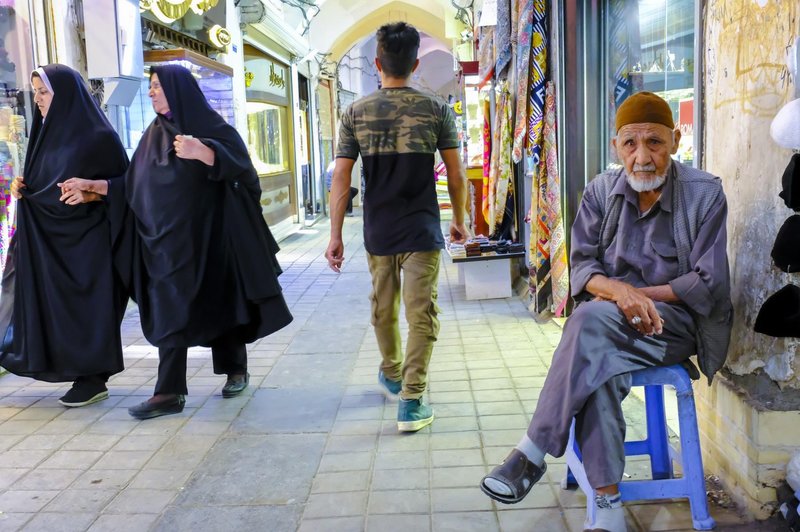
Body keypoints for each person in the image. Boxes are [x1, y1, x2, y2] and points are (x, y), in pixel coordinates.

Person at [480, 91, 732, 532]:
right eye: (630, 144)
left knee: (589, 321)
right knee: (599, 367)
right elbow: (581, 267)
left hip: (673, 326)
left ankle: (532, 451)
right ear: (616, 146)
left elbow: (706, 283)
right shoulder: (600, 192)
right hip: (610, 325)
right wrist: (620, 293)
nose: (642, 157)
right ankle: (609, 510)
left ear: (674, 140)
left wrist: (637, 297)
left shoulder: (705, 194)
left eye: (654, 143)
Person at [62, 65, 293, 420]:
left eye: (157, 86)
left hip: (210, 240)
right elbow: (132, 184)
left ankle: (235, 369)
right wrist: (95, 187)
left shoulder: (211, 129)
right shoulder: (153, 135)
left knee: (221, 302)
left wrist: (205, 152)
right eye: (151, 86)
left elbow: (244, 174)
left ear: (177, 90)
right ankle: (169, 391)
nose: (151, 92)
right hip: (163, 244)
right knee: (170, 308)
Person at [324, 22, 469, 433]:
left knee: (382, 307)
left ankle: (391, 371)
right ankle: (411, 398)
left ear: (377, 62)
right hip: (422, 227)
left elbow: (341, 178)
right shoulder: (436, 109)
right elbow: (456, 175)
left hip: (379, 230)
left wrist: (335, 235)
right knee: (421, 313)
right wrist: (458, 220)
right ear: (415, 62)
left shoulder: (355, 112)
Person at [2, 64, 129, 406]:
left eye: (44, 92)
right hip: (53, 244)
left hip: (89, 246)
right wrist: (24, 188)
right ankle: (67, 367)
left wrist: (95, 191)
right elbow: (45, 183)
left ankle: (93, 378)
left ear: (66, 94)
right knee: (57, 310)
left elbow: (128, 187)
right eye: (36, 93)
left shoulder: (98, 137)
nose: (39, 100)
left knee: (90, 311)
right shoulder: (46, 135)